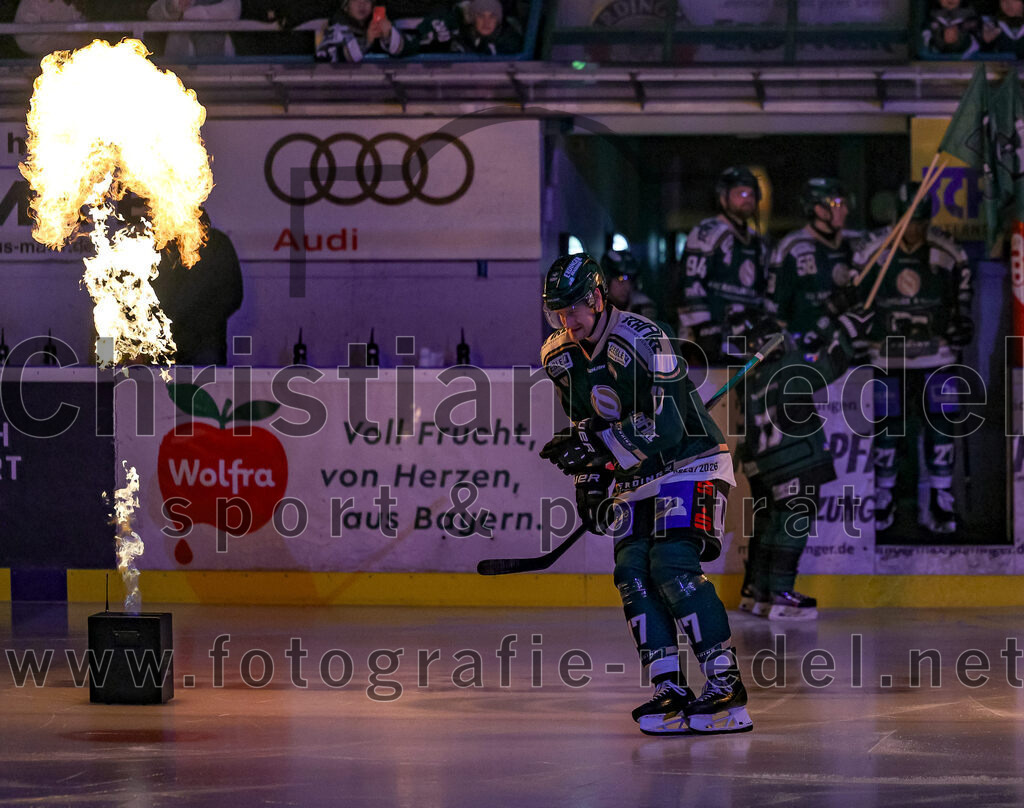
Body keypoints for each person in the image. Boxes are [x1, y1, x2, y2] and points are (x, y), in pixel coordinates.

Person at [539, 252, 752, 736]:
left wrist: (599, 448)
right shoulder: (558, 355)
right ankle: (669, 687)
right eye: (558, 313)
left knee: (671, 564)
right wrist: (589, 481)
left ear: (597, 298)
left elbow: (669, 427)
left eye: (574, 310)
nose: (567, 323)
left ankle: (726, 684)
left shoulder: (646, 338)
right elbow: (585, 423)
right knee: (632, 572)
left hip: (692, 461)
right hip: (636, 473)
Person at [733, 304, 874, 620]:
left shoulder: (751, 380)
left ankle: (761, 590)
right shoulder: (789, 366)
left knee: (774, 523)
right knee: (793, 524)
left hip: (770, 464)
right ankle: (781, 593)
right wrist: (846, 331)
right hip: (797, 458)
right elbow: (831, 365)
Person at [853, 181, 973, 535]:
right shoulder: (871, 249)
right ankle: (884, 495)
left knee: (941, 425)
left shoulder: (948, 250)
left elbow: (963, 297)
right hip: (886, 359)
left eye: (920, 222)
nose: (914, 230)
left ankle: (941, 497)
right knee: (886, 428)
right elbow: (854, 299)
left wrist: (961, 323)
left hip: (937, 358)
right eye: (908, 221)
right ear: (895, 217)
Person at [678, 166, 769, 364]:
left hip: (744, 340)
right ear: (723, 197)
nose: (748, 199)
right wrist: (703, 328)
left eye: (752, 194)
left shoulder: (758, 241)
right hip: (706, 338)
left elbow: (762, 292)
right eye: (741, 193)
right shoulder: (708, 231)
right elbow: (689, 283)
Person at [766, 177, 861, 339]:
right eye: (837, 204)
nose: (845, 211)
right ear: (819, 209)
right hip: (807, 345)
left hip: (850, 343)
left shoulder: (855, 243)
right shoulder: (792, 248)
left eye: (845, 204)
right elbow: (777, 312)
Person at [151, 209, 244, 365]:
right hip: (162, 342)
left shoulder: (217, 244)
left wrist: (202, 323)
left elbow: (232, 293)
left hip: (204, 343)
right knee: (161, 381)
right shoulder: (161, 245)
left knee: (205, 379)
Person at [394, 0, 522, 56]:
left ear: (498, 20)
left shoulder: (510, 41)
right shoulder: (461, 36)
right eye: (480, 16)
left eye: (492, 16)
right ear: (473, 19)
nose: (486, 22)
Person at [147, 0, 242, 59]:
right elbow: (153, 13)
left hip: (218, 61)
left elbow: (232, 11)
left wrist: (186, 14)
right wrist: (175, 4)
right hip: (179, 60)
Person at [315, 0, 403, 62]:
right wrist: (366, 42)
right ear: (346, 6)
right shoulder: (336, 30)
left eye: (367, 0)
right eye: (356, 0)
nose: (362, 4)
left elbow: (406, 51)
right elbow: (326, 57)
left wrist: (388, 36)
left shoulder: (379, 28)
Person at [600, 248, 657, 321]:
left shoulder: (641, 306)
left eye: (631, 280)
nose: (627, 287)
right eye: (621, 279)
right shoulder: (594, 308)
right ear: (606, 280)